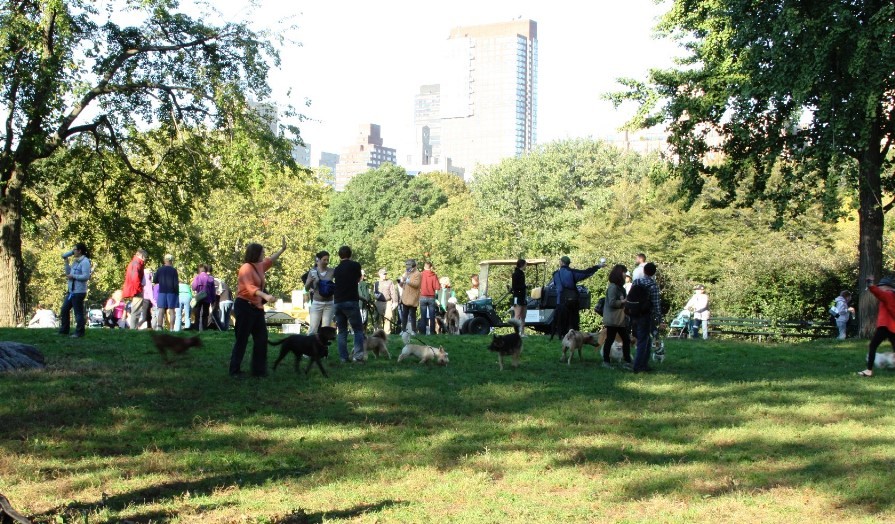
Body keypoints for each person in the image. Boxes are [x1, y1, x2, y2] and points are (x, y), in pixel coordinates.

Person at [229, 237, 287, 378]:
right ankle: (234, 370)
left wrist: (282, 249)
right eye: (262, 252)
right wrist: (266, 296)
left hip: (256, 308)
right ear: (255, 254)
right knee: (242, 339)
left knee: (261, 339)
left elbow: (270, 260)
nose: (264, 254)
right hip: (244, 307)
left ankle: (259, 371)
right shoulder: (246, 268)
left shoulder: (259, 265)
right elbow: (250, 288)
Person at [550, 255, 603, 338]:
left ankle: (560, 335)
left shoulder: (556, 274)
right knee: (573, 319)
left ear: (561, 262)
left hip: (560, 300)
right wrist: (597, 266)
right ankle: (573, 335)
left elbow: (558, 287)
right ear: (568, 263)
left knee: (561, 319)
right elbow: (586, 273)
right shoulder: (572, 272)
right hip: (573, 299)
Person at [332, 245, 366, 362]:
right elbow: (358, 279)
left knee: (342, 331)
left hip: (337, 302)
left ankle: (343, 358)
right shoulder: (355, 265)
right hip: (351, 301)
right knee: (357, 330)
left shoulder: (336, 269)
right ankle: (358, 357)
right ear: (350, 254)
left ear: (339, 256)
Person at [857, 276, 895, 377]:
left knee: (873, 346)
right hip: (891, 326)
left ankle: (869, 370)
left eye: (881, 286)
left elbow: (878, 293)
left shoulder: (888, 294)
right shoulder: (891, 295)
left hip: (885, 326)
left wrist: (870, 284)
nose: (880, 288)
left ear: (887, 287)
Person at [631, 262, 663, 373]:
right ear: (654, 273)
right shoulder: (653, 286)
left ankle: (644, 364)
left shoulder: (636, 282)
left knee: (646, 340)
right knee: (642, 341)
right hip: (645, 316)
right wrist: (659, 319)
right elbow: (656, 304)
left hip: (634, 314)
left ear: (644, 271)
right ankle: (637, 366)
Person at [601, 264, 632, 368]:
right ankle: (606, 361)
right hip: (613, 319)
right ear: (619, 273)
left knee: (626, 339)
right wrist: (623, 301)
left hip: (620, 319)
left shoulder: (620, 288)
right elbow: (612, 302)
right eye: (624, 272)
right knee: (610, 339)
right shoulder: (613, 287)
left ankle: (627, 360)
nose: (626, 274)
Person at [58, 243, 92, 338]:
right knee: (64, 309)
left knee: (78, 313)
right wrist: (66, 262)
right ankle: (64, 330)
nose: (73, 252)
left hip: (79, 291)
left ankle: (79, 332)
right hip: (71, 291)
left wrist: (74, 276)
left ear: (79, 251)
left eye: (74, 250)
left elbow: (86, 276)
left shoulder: (85, 262)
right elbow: (69, 272)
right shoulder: (76, 261)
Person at [305, 250, 335, 334]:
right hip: (317, 302)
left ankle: (324, 347)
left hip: (329, 303)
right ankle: (308, 346)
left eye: (327, 260)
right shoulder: (313, 272)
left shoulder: (332, 271)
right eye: (324, 260)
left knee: (326, 329)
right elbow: (306, 289)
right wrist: (309, 281)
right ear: (319, 260)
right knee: (313, 328)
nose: (326, 262)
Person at [122, 248, 147, 330]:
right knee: (136, 310)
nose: (146, 259)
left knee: (136, 310)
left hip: (134, 289)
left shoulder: (135, 263)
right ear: (142, 255)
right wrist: (139, 289)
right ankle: (133, 328)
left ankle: (134, 328)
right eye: (145, 257)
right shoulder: (137, 264)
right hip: (136, 289)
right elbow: (135, 278)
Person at [153, 254, 179, 331]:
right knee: (172, 311)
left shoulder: (160, 269)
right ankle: (171, 328)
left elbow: (155, 280)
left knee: (161, 310)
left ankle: (159, 327)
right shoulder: (174, 270)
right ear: (171, 261)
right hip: (171, 292)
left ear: (164, 260)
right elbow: (175, 283)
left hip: (162, 292)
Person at [419, 261, 441, 335]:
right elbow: (437, 287)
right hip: (431, 297)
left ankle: (423, 332)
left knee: (423, 316)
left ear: (424, 267)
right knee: (432, 316)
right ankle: (432, 332)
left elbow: (417, 285)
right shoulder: (434, 275)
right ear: (431, 267)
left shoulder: (421, 275)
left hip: (422, 296)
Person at [400, 259, 422, 333]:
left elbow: (416, 285)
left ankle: (413, 330)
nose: (408, 267)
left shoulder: (418, 274)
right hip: (405, 297)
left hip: (413, 298)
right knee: (404, 314)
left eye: (409, 265)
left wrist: (408, 281)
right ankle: (403, 330)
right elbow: (403, 284)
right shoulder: (407, 273)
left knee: (412, 315)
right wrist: (400, 282)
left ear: (413, 266)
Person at [191, 264, 215, 331]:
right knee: (205, 314)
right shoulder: (210, 278)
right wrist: (213, 300)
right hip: (207, 298)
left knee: (197, 314)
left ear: (199, 270)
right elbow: (213, 291)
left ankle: (196, 329)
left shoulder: (197, 277)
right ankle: (204, 329)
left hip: (199, 298)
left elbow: (193, 287)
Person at [374, 268, 397, 333]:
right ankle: (377, 333)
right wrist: (375, 295)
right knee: (378, 318)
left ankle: (387, 333)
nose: (385, 275)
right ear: (380, 274)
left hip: (388, 302)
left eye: (385, 274)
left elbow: (393, 292)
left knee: (388, 318)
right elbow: (374, 292)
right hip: (379, 302)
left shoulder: (390, 282)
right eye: (383, 274)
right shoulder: (376, 283)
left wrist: (395, 302)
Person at [511, 259, 528, 336]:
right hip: (518, 296)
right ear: (522, 265)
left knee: (523, 315)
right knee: (517, 315)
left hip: (523, 296)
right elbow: (514, 286)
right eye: (525, 264)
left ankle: (523, 332)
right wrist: (524, 286)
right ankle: (516, 333)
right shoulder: (516, 274)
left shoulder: (522, 273)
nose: (526, 265)